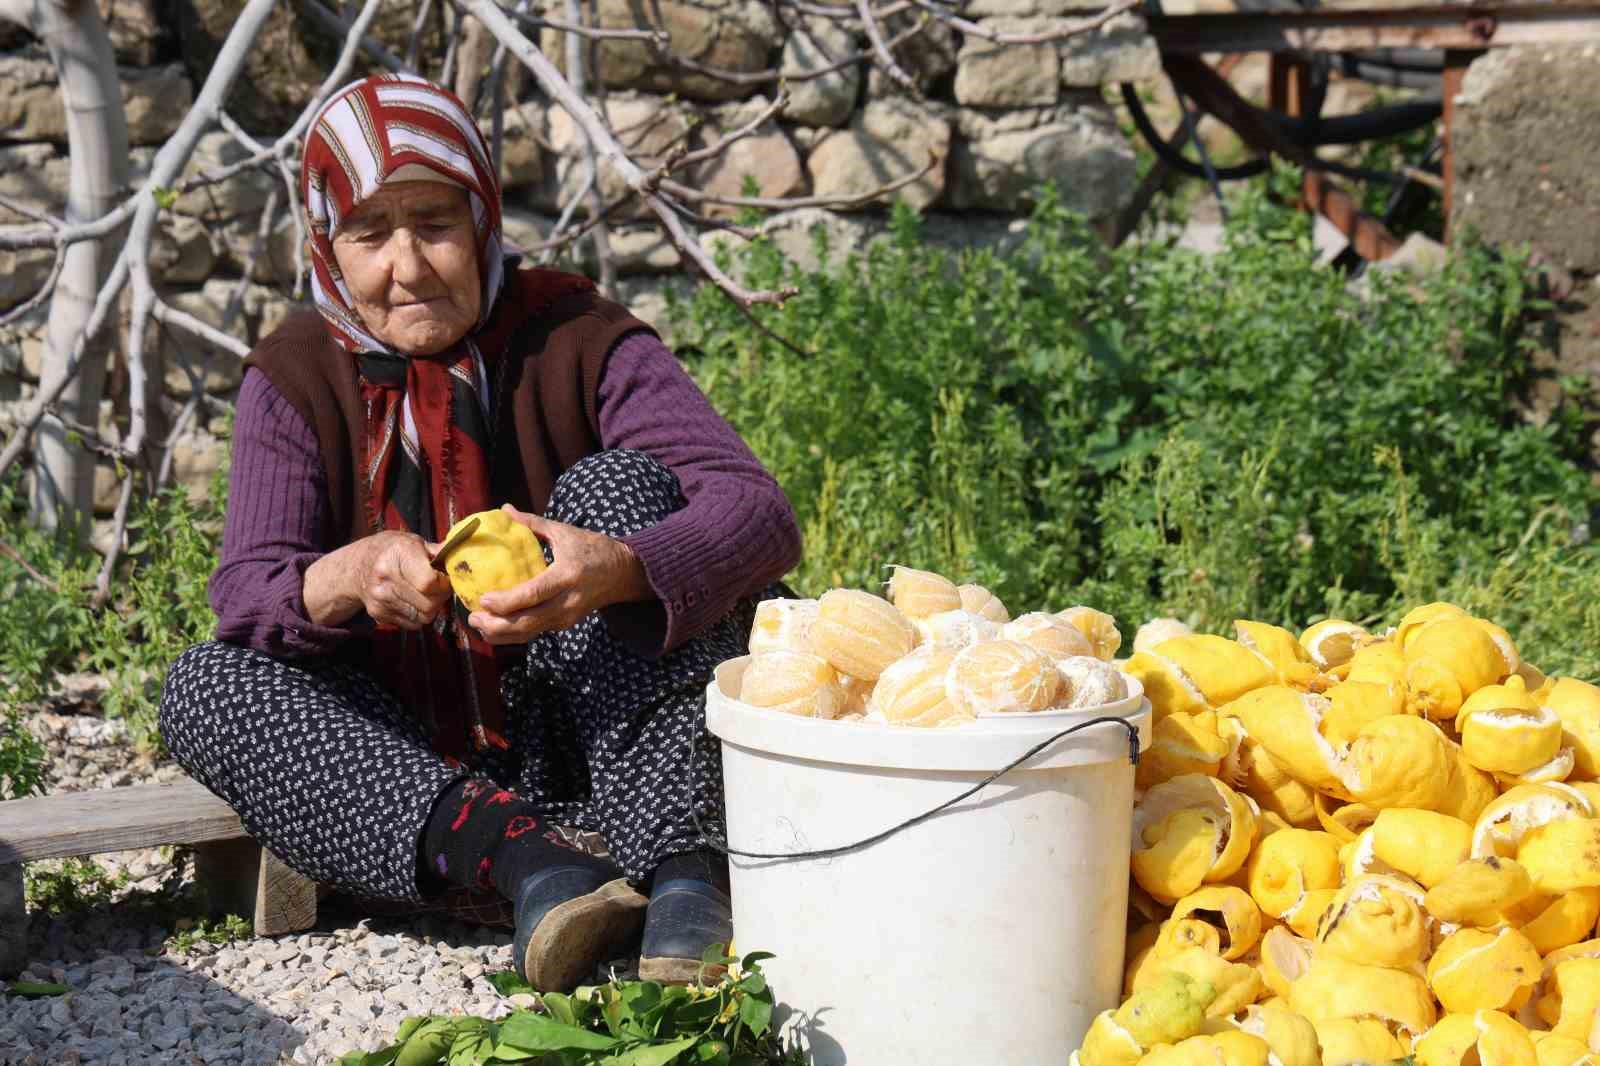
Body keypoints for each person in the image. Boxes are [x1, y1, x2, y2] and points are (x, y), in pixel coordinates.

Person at [158, 73, 802, 992]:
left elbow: (756, 511)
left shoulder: (579, 336)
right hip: (408, 766)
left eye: (435, 224)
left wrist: (615, 568)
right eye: (369, 233)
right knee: (205, 683)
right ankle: (542, 870)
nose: (406, 266)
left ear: (485, 221)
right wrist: (346, 577)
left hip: (598, 727)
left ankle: (686, 879)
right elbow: (248, 594)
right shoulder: (296, 375)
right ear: (326, 245)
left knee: (621, 488)